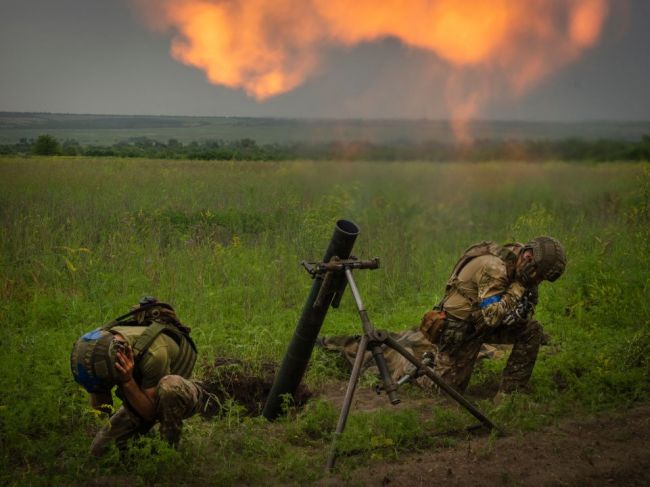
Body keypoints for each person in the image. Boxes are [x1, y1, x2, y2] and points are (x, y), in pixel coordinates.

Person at [70, 297, 213, 456]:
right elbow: (102, 408)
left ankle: (169, 453)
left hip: (181, 391)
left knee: (169, 388)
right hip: (142, 391)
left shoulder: (155, 353)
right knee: (100, 452)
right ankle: (146, 441)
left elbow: (151, 412)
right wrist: (96, 386)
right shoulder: (96, 351)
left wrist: (127, 381)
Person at [424, 237, 566, 396]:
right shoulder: (495, 268)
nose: (538, 281)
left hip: (484, 323)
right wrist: (519, 286)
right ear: (528, 257)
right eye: (538, 276)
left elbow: (522, 310)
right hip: (462, 329)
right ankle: (418, 369)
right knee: (445, 394)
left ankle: (510, 395)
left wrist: (524, 306)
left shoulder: (520, 260)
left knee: (532, 330)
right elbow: (492, 317)